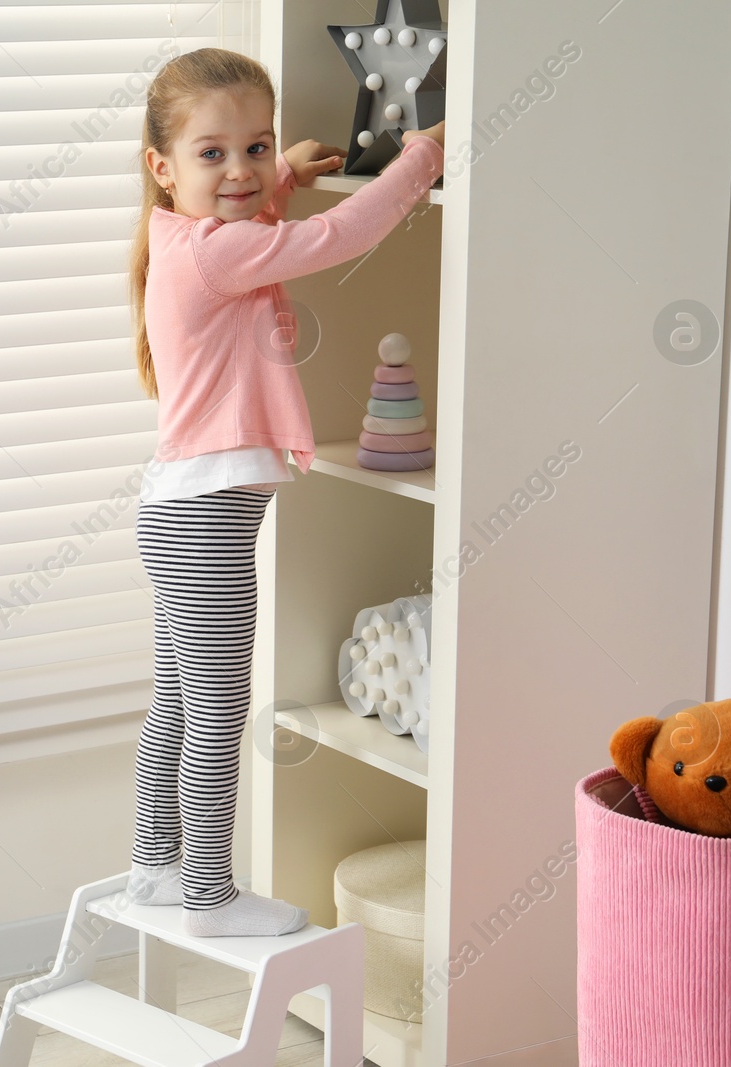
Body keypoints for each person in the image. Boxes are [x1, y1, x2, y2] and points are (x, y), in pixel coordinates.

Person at [123, 46, 445, 937]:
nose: (240, 169)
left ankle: (155, 866)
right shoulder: (221, 251)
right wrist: (423, 157)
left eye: (255, 147)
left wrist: (280, 182)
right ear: (163, 167)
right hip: (206, 523)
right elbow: (334, 240)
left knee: (179, 701)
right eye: (212, 153)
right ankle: (209, 896)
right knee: (218, 711)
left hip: (176, 514)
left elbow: (250, 227)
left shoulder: (176, 237)